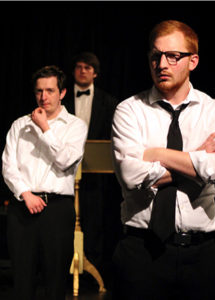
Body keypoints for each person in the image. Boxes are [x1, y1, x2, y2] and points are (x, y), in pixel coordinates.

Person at [111, 20, 215, 300]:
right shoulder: (129, 110)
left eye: (173, 56)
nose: (162, 64)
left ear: (193, 61)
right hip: (139, 252)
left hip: (200, 254)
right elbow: (131, 176)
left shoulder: (214, 111)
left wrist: (156, 154)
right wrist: (197, 158)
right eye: (155, 56)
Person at [2, 65, 88, 300]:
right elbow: (8, 166)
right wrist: (26, 194)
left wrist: (45, 128)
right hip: (23, 206)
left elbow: (65, 161)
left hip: (57, 209)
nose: (43, 97)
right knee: (22, 280)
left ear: (62, 93)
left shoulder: (75, 126)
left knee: (55, 280)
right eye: (39, 91)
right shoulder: (19, 125)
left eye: (50, 91)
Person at [64, 52, 121, 285]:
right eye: (78, 67)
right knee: (68, 220)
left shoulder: (108, 102)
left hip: (96, 174)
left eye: (88, 67)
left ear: (95, 73)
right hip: (66, 171)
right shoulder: (62, 101)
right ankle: (68, 269)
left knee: (95, 222)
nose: (83, 71)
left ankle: (92, 272)